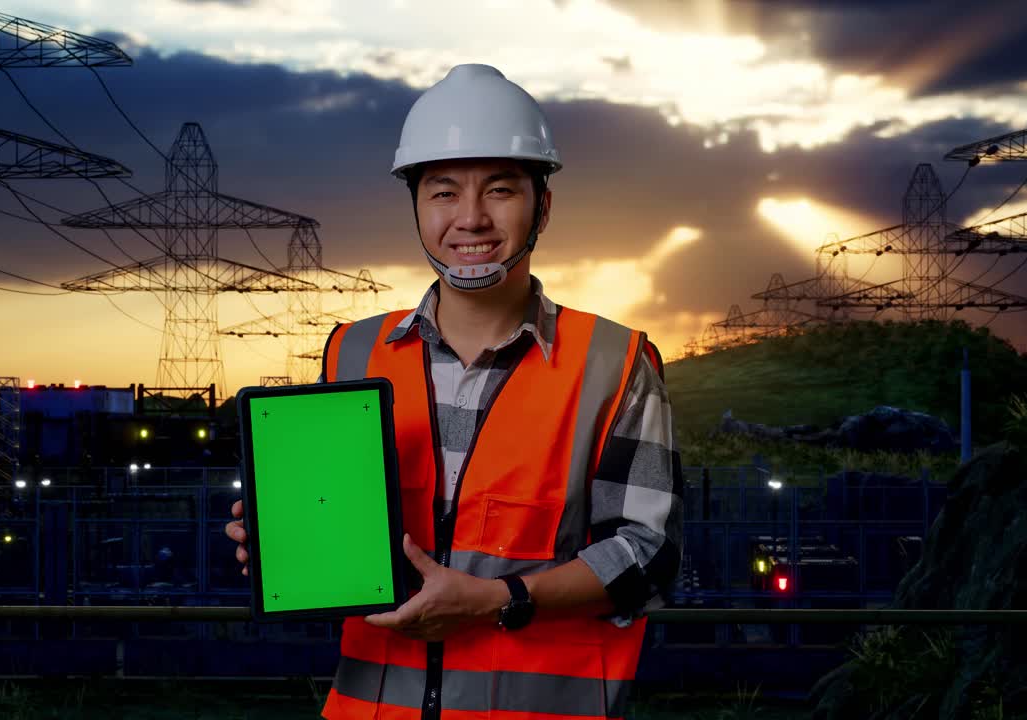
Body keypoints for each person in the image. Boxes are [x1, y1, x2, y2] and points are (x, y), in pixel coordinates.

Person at [225, 63, 683, 720]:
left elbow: (648, 556)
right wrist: (290, 539)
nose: (470, 219)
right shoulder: (351, 352)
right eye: (443, 193)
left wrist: (500, 600)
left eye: (500, 190)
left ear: (542, 205)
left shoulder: (615, 362)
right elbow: (344, 539)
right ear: (415, 205)